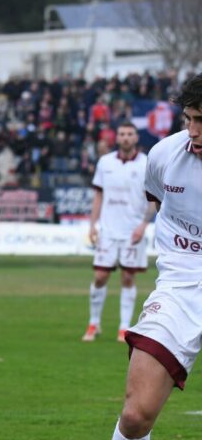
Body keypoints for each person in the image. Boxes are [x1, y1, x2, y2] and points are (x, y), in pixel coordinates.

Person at [90, 75, 202, 440]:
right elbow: (157, 201)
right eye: (189, 120)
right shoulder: (164, 156)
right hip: (182, 283)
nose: (193, 131)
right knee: (135, 414)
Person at [82, 122, 155, 342]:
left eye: (129, 134)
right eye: (122, 134)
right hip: (108, 231)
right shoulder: (105, 163)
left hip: (132, 231)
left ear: (136, 138)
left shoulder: (146, 164)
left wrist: (144, 224)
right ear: (117, 138)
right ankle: (94, 323)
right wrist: (93, 224)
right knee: (100, 275)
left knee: (127, 277)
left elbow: (153, 197)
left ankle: (124, 327)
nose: (125, 137)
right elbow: (98, 196)